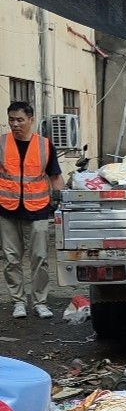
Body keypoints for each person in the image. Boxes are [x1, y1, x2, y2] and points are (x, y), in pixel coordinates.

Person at [1, 102, 64, 320]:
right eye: (11, 119)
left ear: (31, 119)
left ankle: (40, 302)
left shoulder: (44, 145)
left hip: (38, 209)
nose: (15, 124)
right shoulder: (1, 143)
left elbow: (55, 176)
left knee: (39, 257)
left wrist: (59, 200)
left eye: (20, 120)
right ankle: (18, 302)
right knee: (11, 259)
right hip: (6, 209)